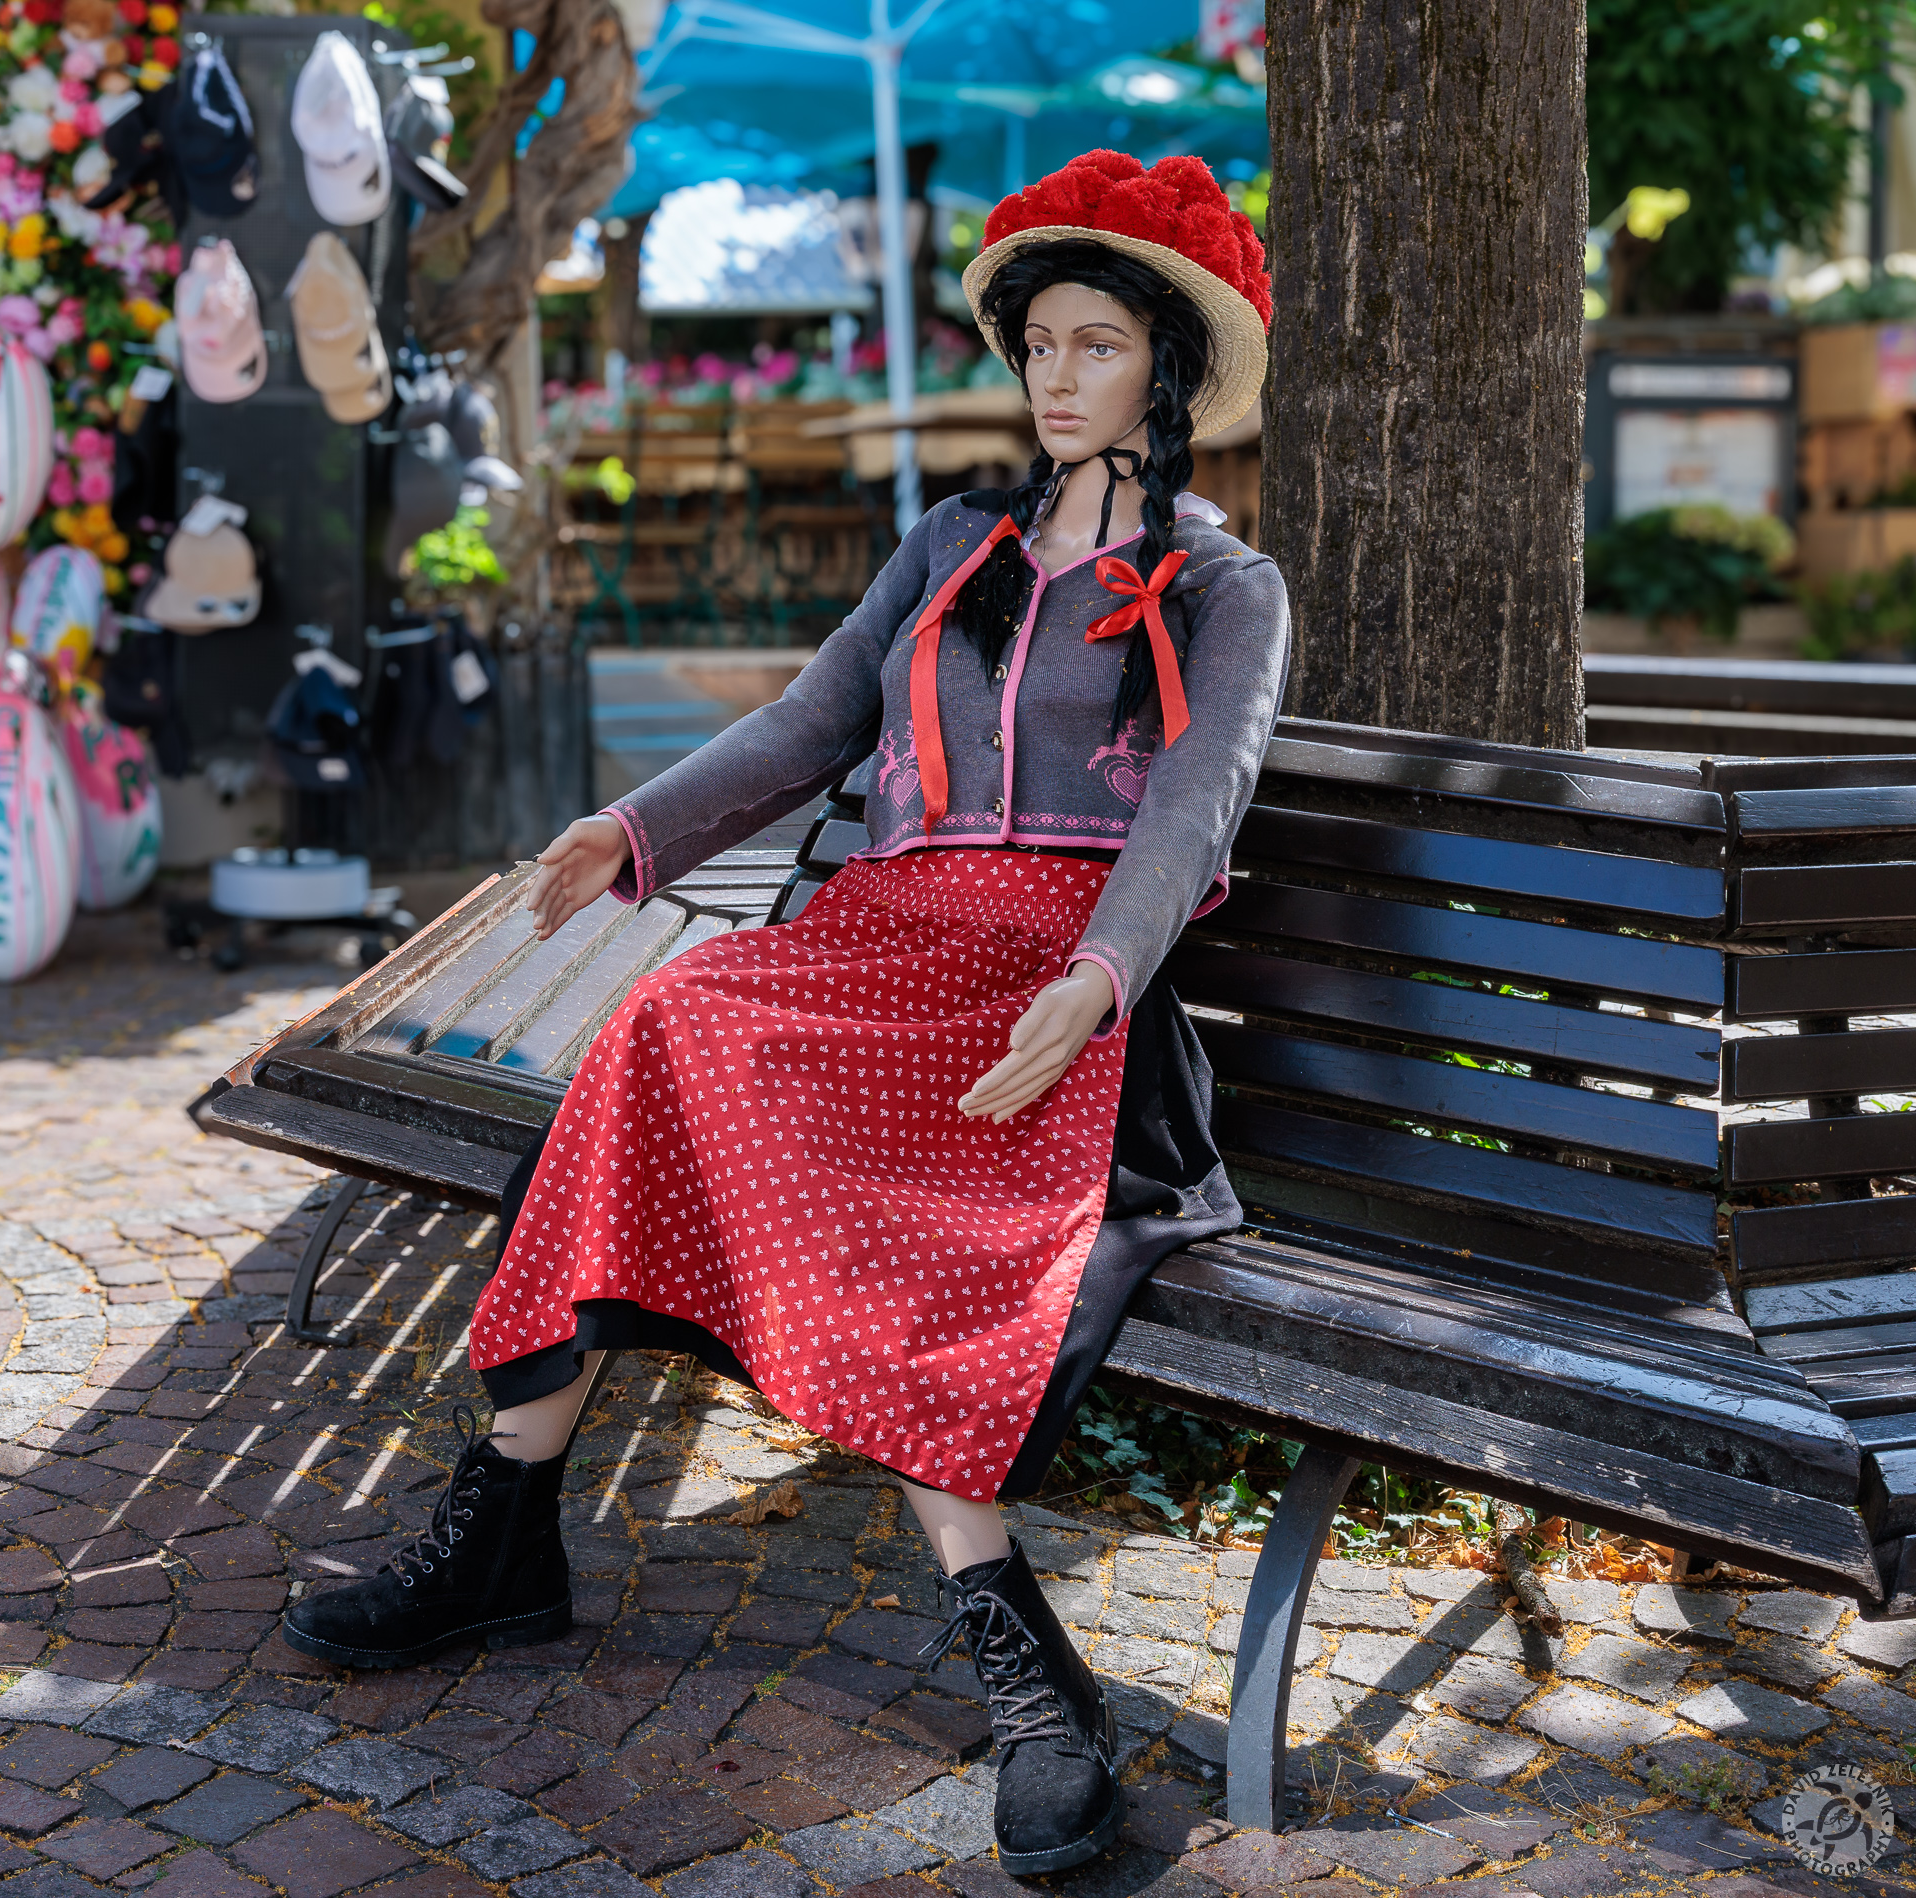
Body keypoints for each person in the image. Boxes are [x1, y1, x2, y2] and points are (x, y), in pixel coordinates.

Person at [283, 150, 1291, 1877]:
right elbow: (809, 723)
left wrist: (1096, 974)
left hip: (1056, 1001)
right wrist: (633, 828)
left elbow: (1196, 808)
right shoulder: (949, 546)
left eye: (1097, 344)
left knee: (807, 1130)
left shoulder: (1221, 589)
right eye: (1038, 341)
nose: (1054, 376)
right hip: (873, 950)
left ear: (1169, 367)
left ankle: (1018, 1661)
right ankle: (505, 1515)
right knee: (672, 1015)